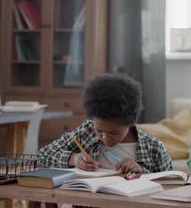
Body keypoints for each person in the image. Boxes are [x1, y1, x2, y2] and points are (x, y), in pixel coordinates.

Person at [38, 74, 172, 174]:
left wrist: (142, 173)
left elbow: (170, 188)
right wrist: (74, 158)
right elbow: (42, 156)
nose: (106, 139)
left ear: (132, 122)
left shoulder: (155, 149)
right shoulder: (87, 131)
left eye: (114, 132)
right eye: (100, 131)